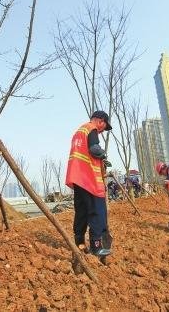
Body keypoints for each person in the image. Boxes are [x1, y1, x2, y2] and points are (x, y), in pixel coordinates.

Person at [65, 110, 112, 257]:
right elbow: (94, 149)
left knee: (82, 212)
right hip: (89, 180)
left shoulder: (79, 132)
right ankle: (96, 246)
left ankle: (79, 242)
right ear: (100, 121)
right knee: (97, 212)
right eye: (104, 126)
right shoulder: (91, 129)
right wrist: (103, 155)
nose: (103, 130)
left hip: (78, 179)